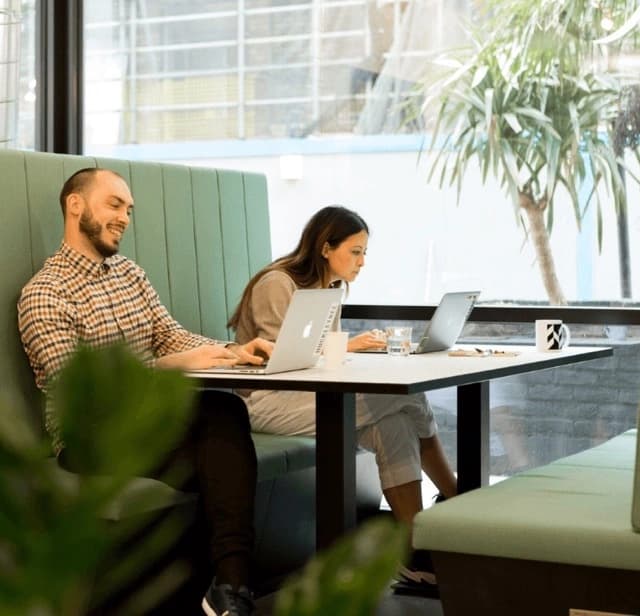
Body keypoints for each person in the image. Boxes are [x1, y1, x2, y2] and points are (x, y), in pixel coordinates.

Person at [18, 168, 273, 616]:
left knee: (222, 411)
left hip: (147, 423)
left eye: (129, 210)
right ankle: (225, 587)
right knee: (221, 452)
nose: (125, 218)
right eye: (114, 204)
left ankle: (231, 589)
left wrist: (234, 350)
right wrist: (169, 367)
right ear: (75, 205)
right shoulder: (45, 294)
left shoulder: (130, 276)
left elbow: (173, 337)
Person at [228, 205, 457, 591]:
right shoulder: (277, 283)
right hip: (266, 399)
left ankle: (415, 551)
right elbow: (280, 356)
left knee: (397, 423)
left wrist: (356, 352)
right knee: (406, 398)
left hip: (308, 396)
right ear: (324, 247)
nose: (362, 262)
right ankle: (456, 496)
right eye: (355, 251)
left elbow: (323, 359)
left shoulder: (330, 289)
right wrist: (350, 344)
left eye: (365, 252)